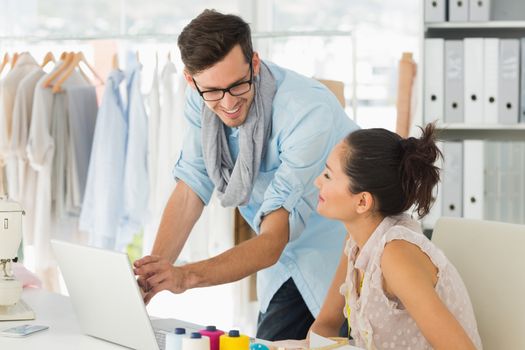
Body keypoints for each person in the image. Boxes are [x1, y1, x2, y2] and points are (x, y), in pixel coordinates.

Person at [133, 9, 359, 341]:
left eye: (237, 85)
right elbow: (190, 188)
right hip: (283, 267)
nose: (227, 103)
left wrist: (184, 277)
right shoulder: (200, 100)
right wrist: (152, 278)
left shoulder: (305, 113)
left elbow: (271, 241)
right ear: (190, 80)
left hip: (337, 255)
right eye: (212, 90)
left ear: (254, 64)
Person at [309, 124, 482, 349]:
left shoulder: (396, 254)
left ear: (362, 202)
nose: (317, 182)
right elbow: (326, 324)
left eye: (328, 175)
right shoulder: (355, 242)